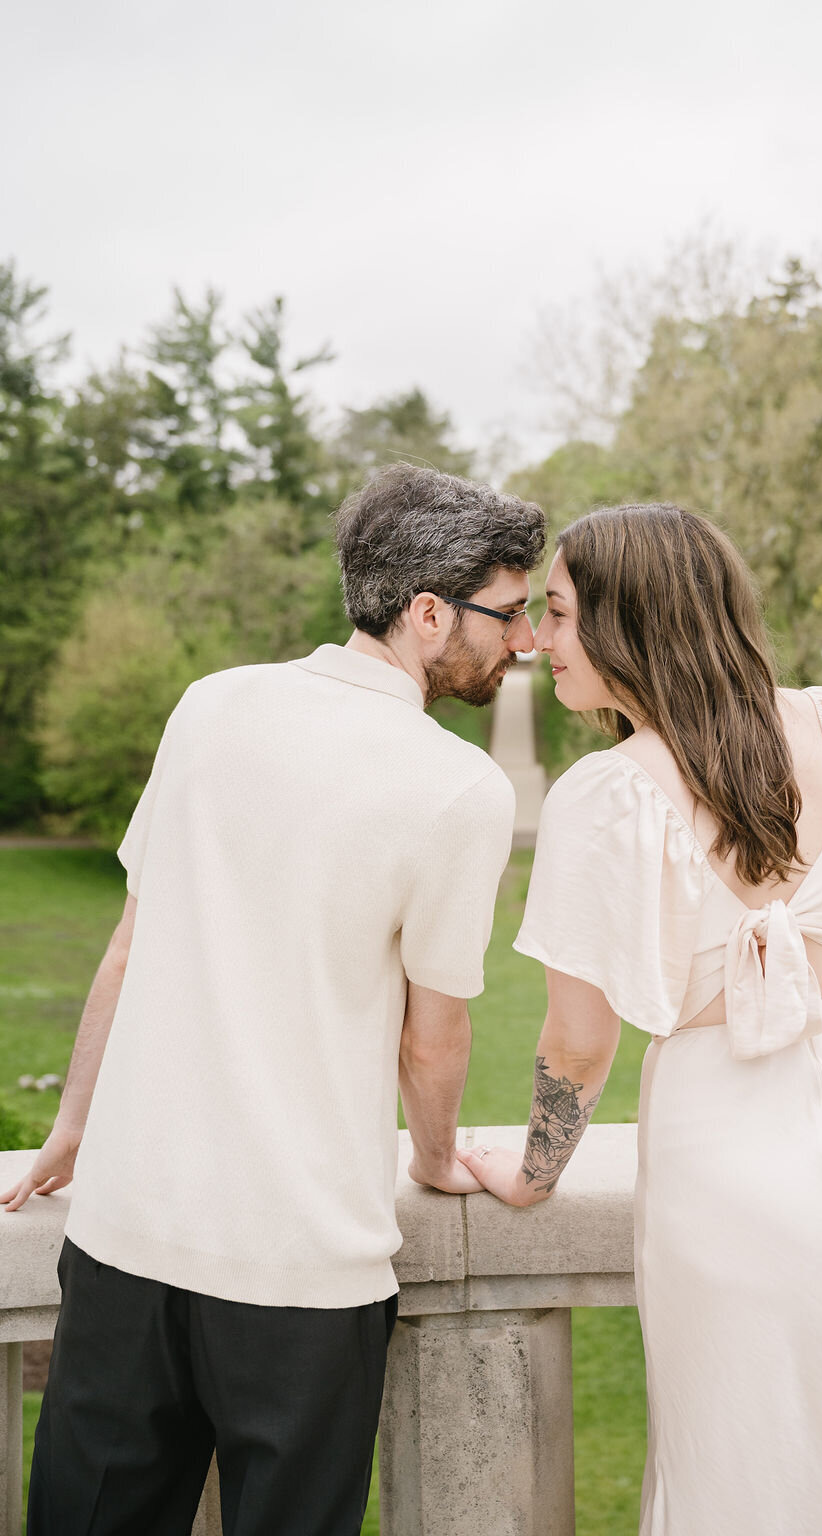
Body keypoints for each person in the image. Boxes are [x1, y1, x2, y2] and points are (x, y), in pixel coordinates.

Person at [1, 463, 546, 1536]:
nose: (523, 639)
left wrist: (78, 1122)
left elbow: (131, 942)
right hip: (302, 1277)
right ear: (428, 613)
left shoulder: (213, 705)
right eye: (510, 611)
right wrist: (435, 1162)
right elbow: (431, 1044)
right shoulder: (459, 789)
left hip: (125, 1241)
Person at [460, 502, 822, 1536]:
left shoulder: (602, 797)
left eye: (563, 615)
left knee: (748, 1470)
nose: (537, 640)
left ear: (636, 622)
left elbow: (579, 1044)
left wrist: (532, 1178)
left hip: (730, 1159)